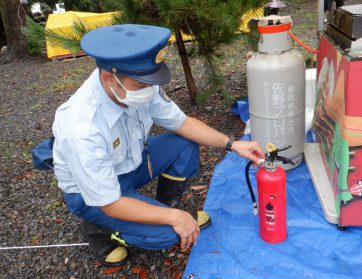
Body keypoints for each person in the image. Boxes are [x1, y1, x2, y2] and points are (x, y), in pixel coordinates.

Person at [52, 24, 265, 266]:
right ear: (108, 78)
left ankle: (161, 209)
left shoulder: (133, 83)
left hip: (129, 165)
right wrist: (174, 219)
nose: (149, 90)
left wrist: (233, 144)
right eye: (142, 85)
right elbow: (109, 202)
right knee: (168, 235)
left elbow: (182, 123)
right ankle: (98, 228)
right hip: (93, 196)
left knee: (186, 143)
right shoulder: (82, 127)